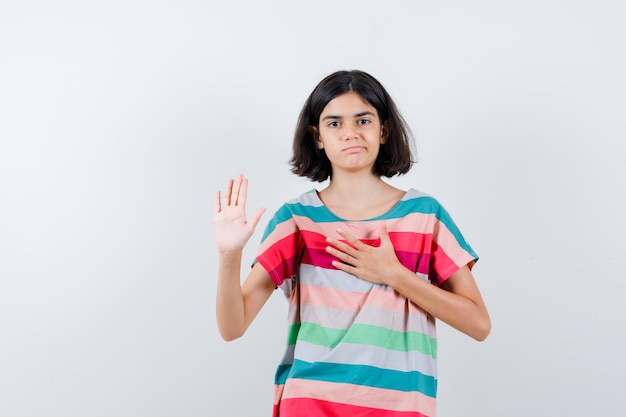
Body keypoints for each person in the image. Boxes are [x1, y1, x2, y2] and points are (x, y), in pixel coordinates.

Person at [214, 70, 491, 417]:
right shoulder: (297, 219)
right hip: (309, 404)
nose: (350, 133)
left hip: (400, 409)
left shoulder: (425, 216)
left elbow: (479, 324)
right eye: (334, 124)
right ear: (317, 136)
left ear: (383, 130)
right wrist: (229, 255)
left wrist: (395, 275)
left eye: (363, 120)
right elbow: (232, 327)